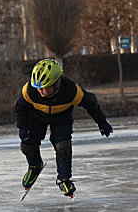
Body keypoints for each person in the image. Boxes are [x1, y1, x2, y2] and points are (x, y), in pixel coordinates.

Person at [15, 58, 113, 197]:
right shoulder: (30, 90)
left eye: (44, 87)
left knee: (63, 146)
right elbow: (20, 108)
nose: (40, 91)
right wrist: (22, 128)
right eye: (38, 87)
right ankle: (34, 166)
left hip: (61, 118)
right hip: (36, 117)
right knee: (28, 146)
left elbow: (91, 103)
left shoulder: (71, 90)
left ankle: (64, 179)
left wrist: (102, 122)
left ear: (56, 84)